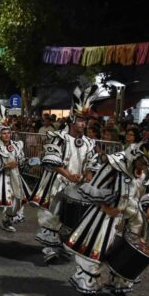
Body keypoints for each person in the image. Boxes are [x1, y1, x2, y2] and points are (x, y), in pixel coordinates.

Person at [65, 139, 149, 296]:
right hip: (108, 213)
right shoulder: (115, 163)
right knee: (97, 250)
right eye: (143, 163)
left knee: (129, 251)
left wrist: (148, 208)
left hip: (132, 214)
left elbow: (147, 188)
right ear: (137, 154)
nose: (144, 167)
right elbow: (93, 187)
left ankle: (118, 287)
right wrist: (105, 206)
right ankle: (86, 293)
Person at [32, 84, 105, 262]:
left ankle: (61, 245)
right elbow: (51, 159)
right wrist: (68, 175)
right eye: (80, 120)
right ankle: (49, 249)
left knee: (69, 217)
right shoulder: (59, 137)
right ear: (72, 118)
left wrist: (87, 175)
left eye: (85, 121)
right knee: (52, 215)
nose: (83, 124)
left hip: (75, 185)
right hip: (56, 184)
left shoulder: (88, 142)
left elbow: (92, 163)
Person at [0, 106, 33, 236]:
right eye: (4, 133)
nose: (7, 135)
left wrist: (28, 163)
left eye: (8, 132)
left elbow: (21, 162)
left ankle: (7, 221)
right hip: (0, 179)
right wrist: (5, 166)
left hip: (16, 178)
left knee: (17, 202)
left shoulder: (16, 145)